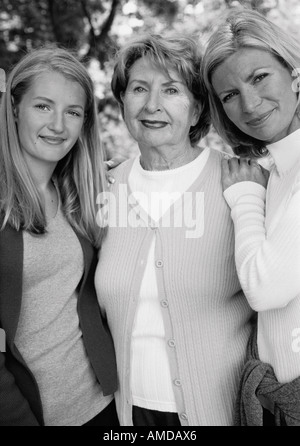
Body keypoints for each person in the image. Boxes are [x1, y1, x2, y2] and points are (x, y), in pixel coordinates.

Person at [94, 33, 255, 426]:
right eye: (139, 89)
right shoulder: (102, 188)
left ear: (198, 108)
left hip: (218, 414)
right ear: (123, 101)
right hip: (123, 414)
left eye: (171, 90)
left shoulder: (242, 183)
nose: (152, 105)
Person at [0, 46, 119, 426]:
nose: (58, 126)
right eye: (43, 106)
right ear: (15, 108)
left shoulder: (77, 194)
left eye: (73, 112)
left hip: (103, 407)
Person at [202, 8, 300, 426]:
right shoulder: (278, 171)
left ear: (295, 73)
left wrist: (244, 198)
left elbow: (266, 288)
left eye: (259, 77)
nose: (250, 104)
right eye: (229, 95)